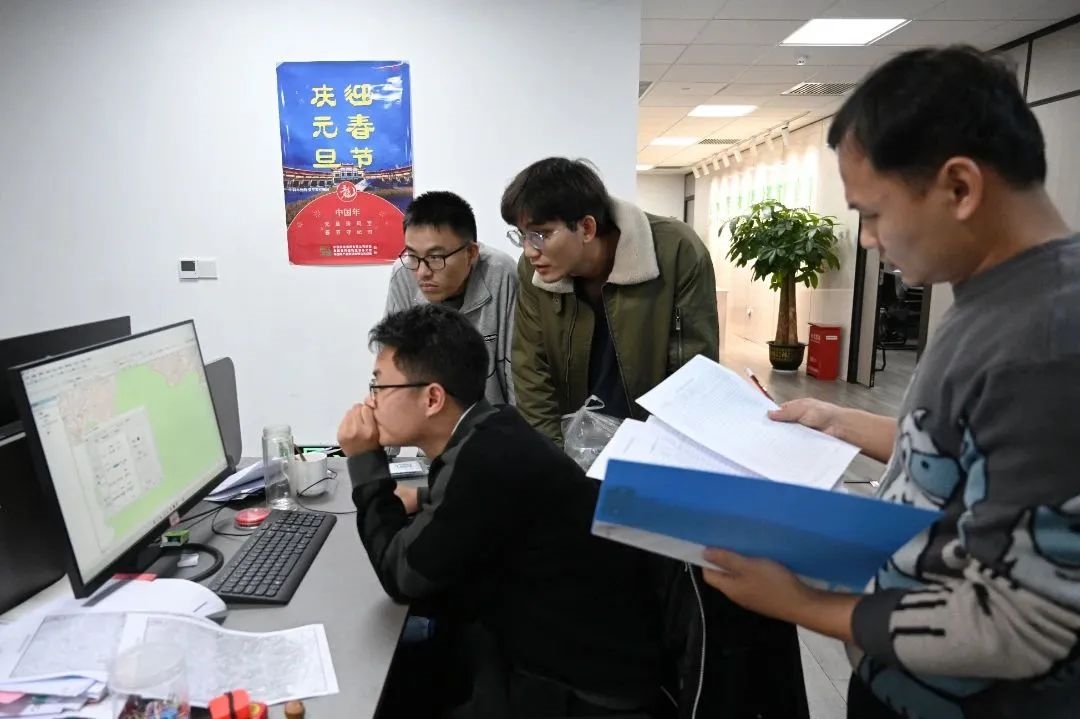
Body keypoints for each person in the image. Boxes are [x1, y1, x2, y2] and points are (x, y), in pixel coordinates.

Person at [700, 45, 1080, 719]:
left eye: (872, 213)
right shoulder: (995, 298)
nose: (868, 240)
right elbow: (971, 450)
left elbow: (1019, 623)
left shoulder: (1048, 341)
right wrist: (840, 421)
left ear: (959, 188)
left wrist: (800, 604)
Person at [337, 304, 665, 717]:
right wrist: (422, 497)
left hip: (576, 692)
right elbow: (494, 505)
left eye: (378, 386)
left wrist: (364, 461)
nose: (369, 403)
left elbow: (401, 575)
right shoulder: (494, 426)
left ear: (433, 398)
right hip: (577, 656)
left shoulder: (482, 463)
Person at [501, 158, 719, 445]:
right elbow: (531, 373)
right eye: (522, 235)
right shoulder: (533, 271)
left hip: (651, 441)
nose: (529, 251)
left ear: (587, 228)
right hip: (573, 442)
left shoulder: (677, 251)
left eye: (541, 235)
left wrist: (659, 453)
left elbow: (692, 374)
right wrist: (553, 460)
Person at [386, 190, 517, 405]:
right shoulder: (403, 274)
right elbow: (395, 365)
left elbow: (516, 371)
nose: (422, 272)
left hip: (489, 417)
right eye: (412, 255)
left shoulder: (500, 273)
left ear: (471, 253)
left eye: (435, 257)